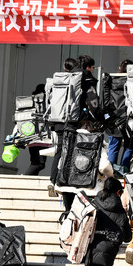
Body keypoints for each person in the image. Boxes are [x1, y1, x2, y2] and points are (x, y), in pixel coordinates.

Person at [85, 178, 132, 266]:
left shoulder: (94, 203)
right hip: (106, 253)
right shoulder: (120, 211)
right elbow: (128, 237)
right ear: (118, 192)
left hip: (91, 248)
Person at [60, 120, 114, 212]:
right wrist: (111, 176)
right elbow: (104, 167)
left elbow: (60, 165)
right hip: (88, 189)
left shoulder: (69, 142)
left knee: (69, 215)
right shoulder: (97, 143)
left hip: (67, 187)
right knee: (86, 218)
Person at [48, 57, 79, 195]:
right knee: (71, 151)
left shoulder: (55, 80)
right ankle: (64, 179)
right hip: (71, 120)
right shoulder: (75, 80)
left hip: (57, 120)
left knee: (59, 151)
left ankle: (52, 180)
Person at [106, 59, 133, 173]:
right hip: (128, 118)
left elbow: (106, 99)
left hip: (113, 117)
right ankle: (123, 171)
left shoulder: (111, 80)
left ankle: (111, 173)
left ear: (119, 68)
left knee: (113, 147)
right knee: (129, 146)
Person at [25, 83, 47, 176]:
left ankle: (29, 179)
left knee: (35, 162)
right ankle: (26, 179)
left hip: (31, 135)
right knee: (39, 163)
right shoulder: (43, 102)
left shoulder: (31, 102)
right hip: (41, 137)